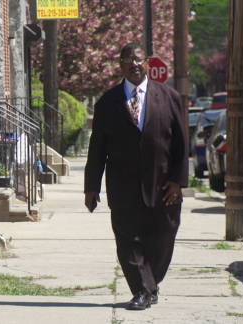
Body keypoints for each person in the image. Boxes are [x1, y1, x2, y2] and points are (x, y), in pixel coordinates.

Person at [84, 43, 188, 310]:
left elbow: (181, 144)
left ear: (148, 63)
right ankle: (141, 289)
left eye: (139, 60)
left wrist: (177, 181)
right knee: (128, 240)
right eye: (128, 61)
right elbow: (97, 148)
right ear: (121, 66)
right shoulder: (108, 103)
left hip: (163, 184)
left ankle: (151, 283)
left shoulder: (170, 97)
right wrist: (91, 187)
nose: (134, 65)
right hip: (123, 186)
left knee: (164, 236)